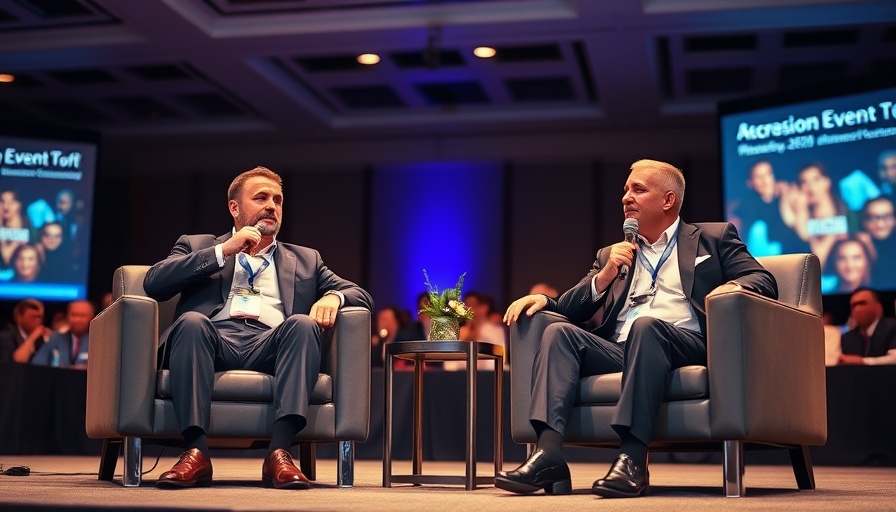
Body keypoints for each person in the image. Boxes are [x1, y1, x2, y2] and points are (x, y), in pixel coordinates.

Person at [496, 159, 777, 498]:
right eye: (625, 190)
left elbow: (762, 278)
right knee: (558, 333)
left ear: (668, 200)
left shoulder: (712, 238)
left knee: (647, 326)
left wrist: (729, 289)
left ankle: (631, 459)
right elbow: (569, 310)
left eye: (638, 189)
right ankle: (549, 455)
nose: (626, 197)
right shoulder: (614, 253)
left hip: (685, 342)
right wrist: (600, 277)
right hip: (622, 347)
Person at [142, 166, 373, 490]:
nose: (272, 205)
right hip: (212, 338)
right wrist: (224, 251)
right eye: (261, 197)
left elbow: (360, 294)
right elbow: (154, 283)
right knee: (192, 322)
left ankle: (279, 454)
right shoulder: (198, 245)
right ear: (234, 208)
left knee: (302, 324)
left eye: (277, 199)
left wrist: (334, 297)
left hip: (271, 344)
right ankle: (196, 452)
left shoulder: (306, 259)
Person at [737, 160, 807, 256]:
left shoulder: (788, 196)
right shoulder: (748, 206)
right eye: (758, 176)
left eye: (768, 174)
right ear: (750, 182)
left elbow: (794, 224)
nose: (764, 180)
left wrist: (785, 197)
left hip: (793, 255)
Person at [838, 288, 896, 365]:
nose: (857, 309)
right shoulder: (848, 338)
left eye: (862, 303)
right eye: (854, 305)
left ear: (878, 307)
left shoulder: (892, 327)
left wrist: (863, 361)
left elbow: (894, 359)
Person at [31, 299, 94, 368]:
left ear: (91, 317)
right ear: (67, 316)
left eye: (82, 316)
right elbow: (37, 364)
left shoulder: (97, 342)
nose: (77, 319)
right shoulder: (55, 339)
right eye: (74, 315)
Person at [856, 196, 896, 288]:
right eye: (872, 218)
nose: (880, 223)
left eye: (886, 216)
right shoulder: (857, 244)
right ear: (863, 221)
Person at [0, 298, 50, 363]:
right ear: (19, 317)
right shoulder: (5, 338)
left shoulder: (42, 339)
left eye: (40, 317)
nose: (38, 321)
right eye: (34, 317)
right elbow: (16, 363)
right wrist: (32, 337)